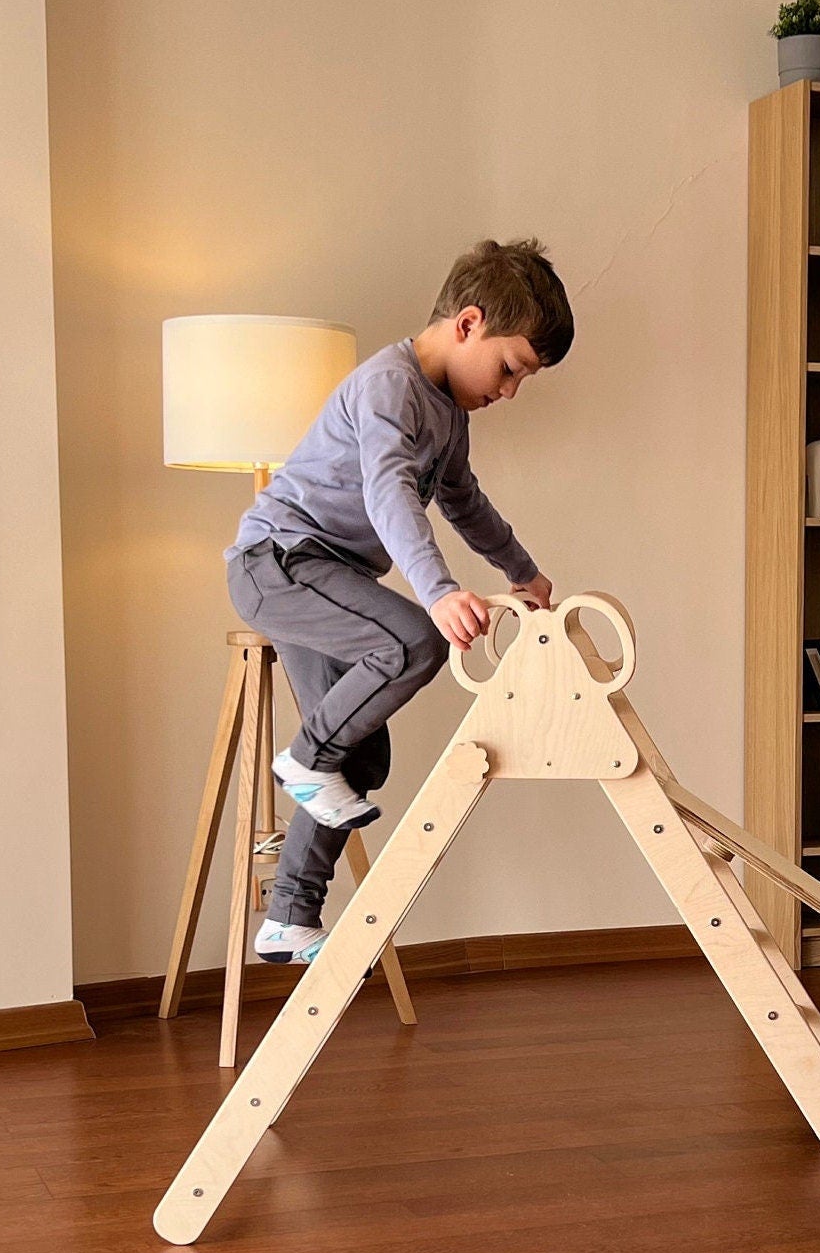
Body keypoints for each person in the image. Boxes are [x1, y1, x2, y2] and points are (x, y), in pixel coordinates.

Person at [225, 237, 570, 964]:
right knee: (415, 641)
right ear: (469, 323)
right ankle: (304, 758)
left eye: (523, 380)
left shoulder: (449, 413)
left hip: (331, 578)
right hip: (278, 562)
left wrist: (522, 571)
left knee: (360, 764)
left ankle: (289, 915)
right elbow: (387, 490)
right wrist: (438, 591)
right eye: (510, 369)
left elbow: (462, 500)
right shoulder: (389, 386)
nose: (509, 391)